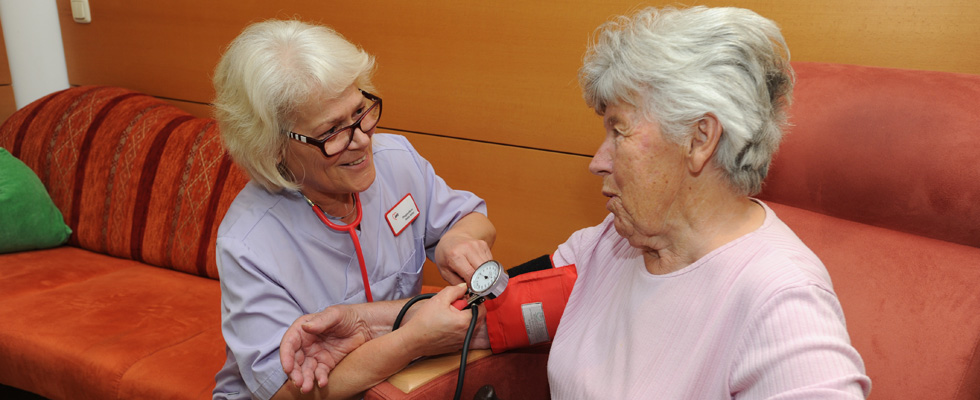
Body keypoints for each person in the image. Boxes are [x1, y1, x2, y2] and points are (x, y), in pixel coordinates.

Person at [282, 5, 872, 399]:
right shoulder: (612, 245)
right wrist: (364, 323)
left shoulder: (780, 299)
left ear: (700, 138)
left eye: (618, 130)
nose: (598, 159)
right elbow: (501, 310)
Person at [210, 19, 496, 400]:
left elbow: (472, 220)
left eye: (360, 111)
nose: (361, 140)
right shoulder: (248, 242)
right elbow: (287, 391)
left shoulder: (397, 160)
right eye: (332, 132)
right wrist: (413, 340)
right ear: (273, 147)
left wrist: (456, 240)